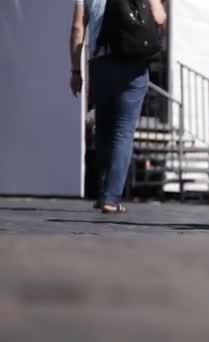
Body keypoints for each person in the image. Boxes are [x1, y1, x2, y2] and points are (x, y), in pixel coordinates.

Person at [70, 0, 167, 213]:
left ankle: (103, 193)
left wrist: (76, 71)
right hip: (132, 66)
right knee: (123, 131)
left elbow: (78, 28)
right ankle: (111, 198)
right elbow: (160, 18)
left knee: (103, 129)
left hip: (100, 65)